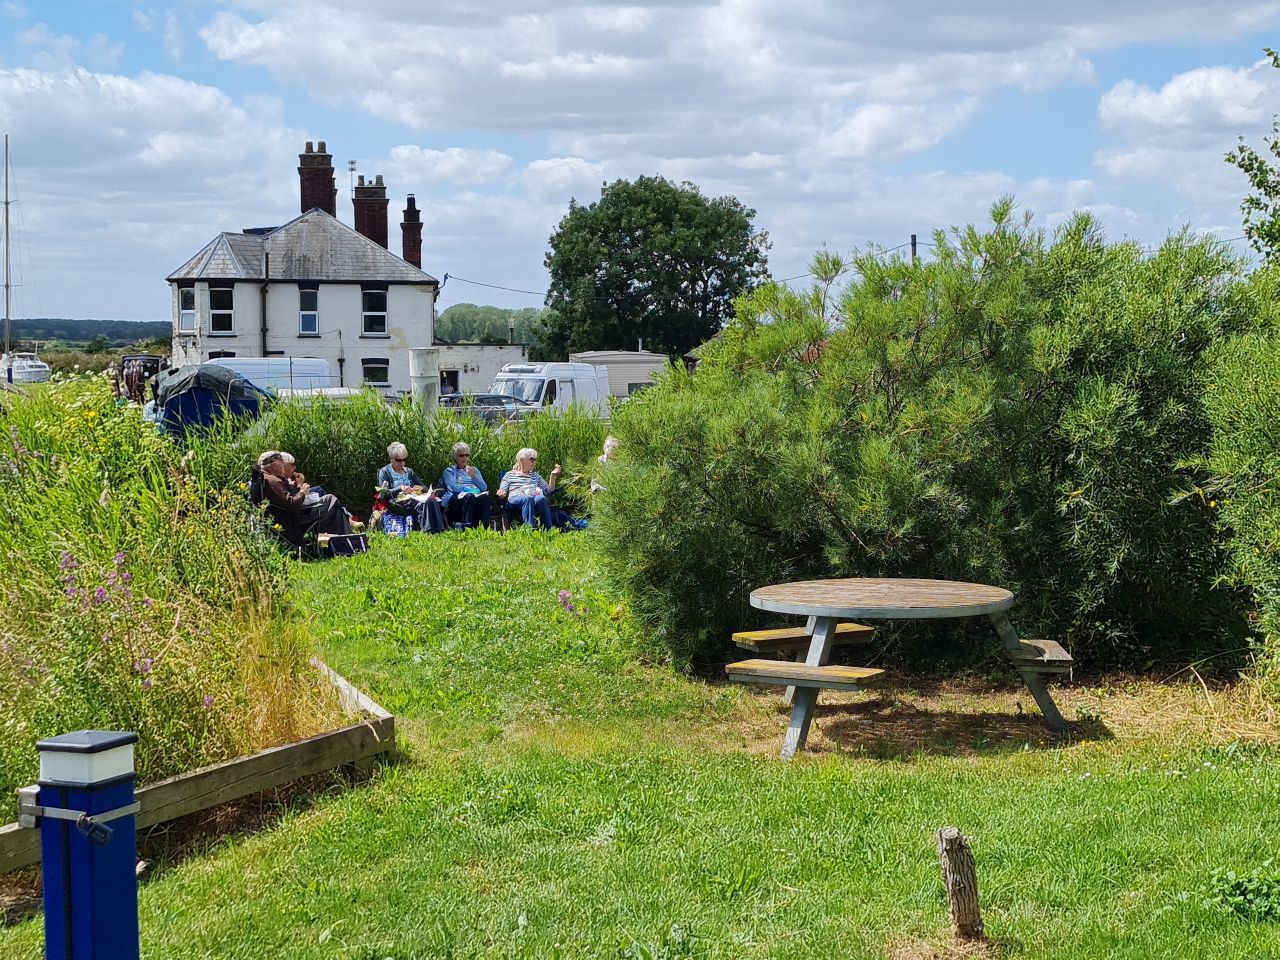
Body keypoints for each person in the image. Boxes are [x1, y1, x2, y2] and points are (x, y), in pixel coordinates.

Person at [257, 450, 352, 547]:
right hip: (295, 521)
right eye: (282, 463)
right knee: (330, 499)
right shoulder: (273, 481)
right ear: (274, 465)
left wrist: (298, 488)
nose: (283, 466)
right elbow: (292, 504)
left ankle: (347, 542)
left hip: (287, 519)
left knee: (335, 510)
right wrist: (302, 492)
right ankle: (350, 542)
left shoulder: (266, 478)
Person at [376, 441, 446, 533]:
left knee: (431, 500)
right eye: (398, 460)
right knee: (421, 503)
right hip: (397, 501)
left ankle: (440, 529)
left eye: (404, 459)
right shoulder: (384, 472)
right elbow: (383, 494)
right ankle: (428, 530)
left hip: (413, 497)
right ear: (391, 459)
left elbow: (425, 488)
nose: (402, 463)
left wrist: (420, 488)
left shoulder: (409, 471)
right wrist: (400, 488)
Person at [497, 447, 561, 530]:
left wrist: (552, 476)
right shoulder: (510, 474)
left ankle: (548, 529)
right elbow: (502, 491)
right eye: (531, 459)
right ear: (521, 460)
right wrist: (501, 493)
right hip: (516, 498)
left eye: (534, 460)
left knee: (541, 498)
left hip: (533, 496)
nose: (534, 462)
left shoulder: (535, 475)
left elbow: (549, 490)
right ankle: (530, 530)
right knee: (528, 499)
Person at [439, 441, 491, 529]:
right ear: (455, 457)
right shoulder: (449, 471)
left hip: (475, 494)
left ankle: (486, 527)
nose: (464, 458)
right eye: (461, 455)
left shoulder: (474, 470)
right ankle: (468, 527)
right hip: (457, 497)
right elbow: (453, 488)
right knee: (469, 496)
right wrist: (468, 488)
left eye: (467, 455)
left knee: (484, 497)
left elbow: (484, 487)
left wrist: (474, 477)